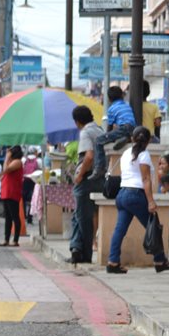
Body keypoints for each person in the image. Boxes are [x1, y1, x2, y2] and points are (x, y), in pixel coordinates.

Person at [105, 127, 169, 274]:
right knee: (154, 227)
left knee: (120, 230)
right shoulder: (143, 155)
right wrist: (150, 201)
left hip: (122, 195)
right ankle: (160, 260)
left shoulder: (125, 153)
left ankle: (113, 262)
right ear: (149, 140)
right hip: (135, 195)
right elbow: (145, 179)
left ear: (132, 139)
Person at [69, 106, 103, 264]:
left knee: (80, 217)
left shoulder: (85, 133)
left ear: (77, 122)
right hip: (100, 178)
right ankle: (78, 249)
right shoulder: (100, 130)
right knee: (84, 217)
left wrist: (80, 174)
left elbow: (89, 157)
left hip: (87, 178)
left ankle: (81, 253)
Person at [92, 86, 136, 179]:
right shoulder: (127, 105)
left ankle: (99, 168)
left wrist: (107, 137)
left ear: (109, 99)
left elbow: (110, 127)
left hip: (123, 128)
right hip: (132, 129)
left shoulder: (111, 109)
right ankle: (126, 138)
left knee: (98, 141)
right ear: (122, 96)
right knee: (117, 134)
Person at [0, 145, 24, 247]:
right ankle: (6, 239)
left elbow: (6, 169)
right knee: (8, 217)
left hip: (12, 192)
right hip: (6, 191)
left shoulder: (17, 162)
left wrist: (6, 157)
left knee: (14, 216)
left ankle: (15, 239)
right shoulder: (12, 161)